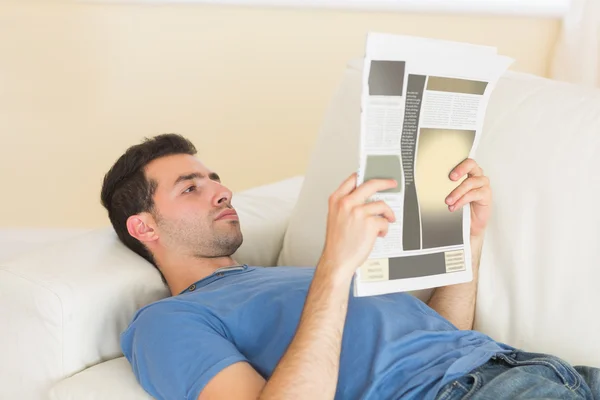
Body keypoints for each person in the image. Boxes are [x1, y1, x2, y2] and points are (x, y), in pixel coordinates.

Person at [101, 134, 599, 400]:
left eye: (215, 178)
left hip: (535, 370)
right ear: (144, 227)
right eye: (191, 187)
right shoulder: (168, 323)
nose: (222, 190)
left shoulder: (280, 278)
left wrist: (469, 238)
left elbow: (440, 340)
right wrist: (336, 266)